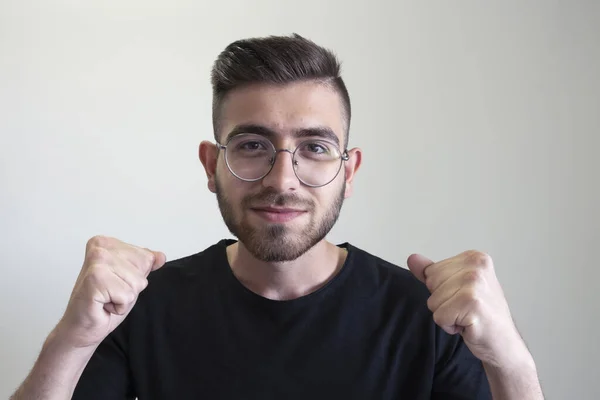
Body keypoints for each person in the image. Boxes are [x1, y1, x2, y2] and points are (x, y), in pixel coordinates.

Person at [11, 34, 544, 400]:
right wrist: (72, 340)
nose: (282, 179)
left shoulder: (430, 317)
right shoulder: (141, 307)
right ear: (211, 163)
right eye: (251, 145)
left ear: (349, 171)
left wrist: (511, 363)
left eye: (314, 147)